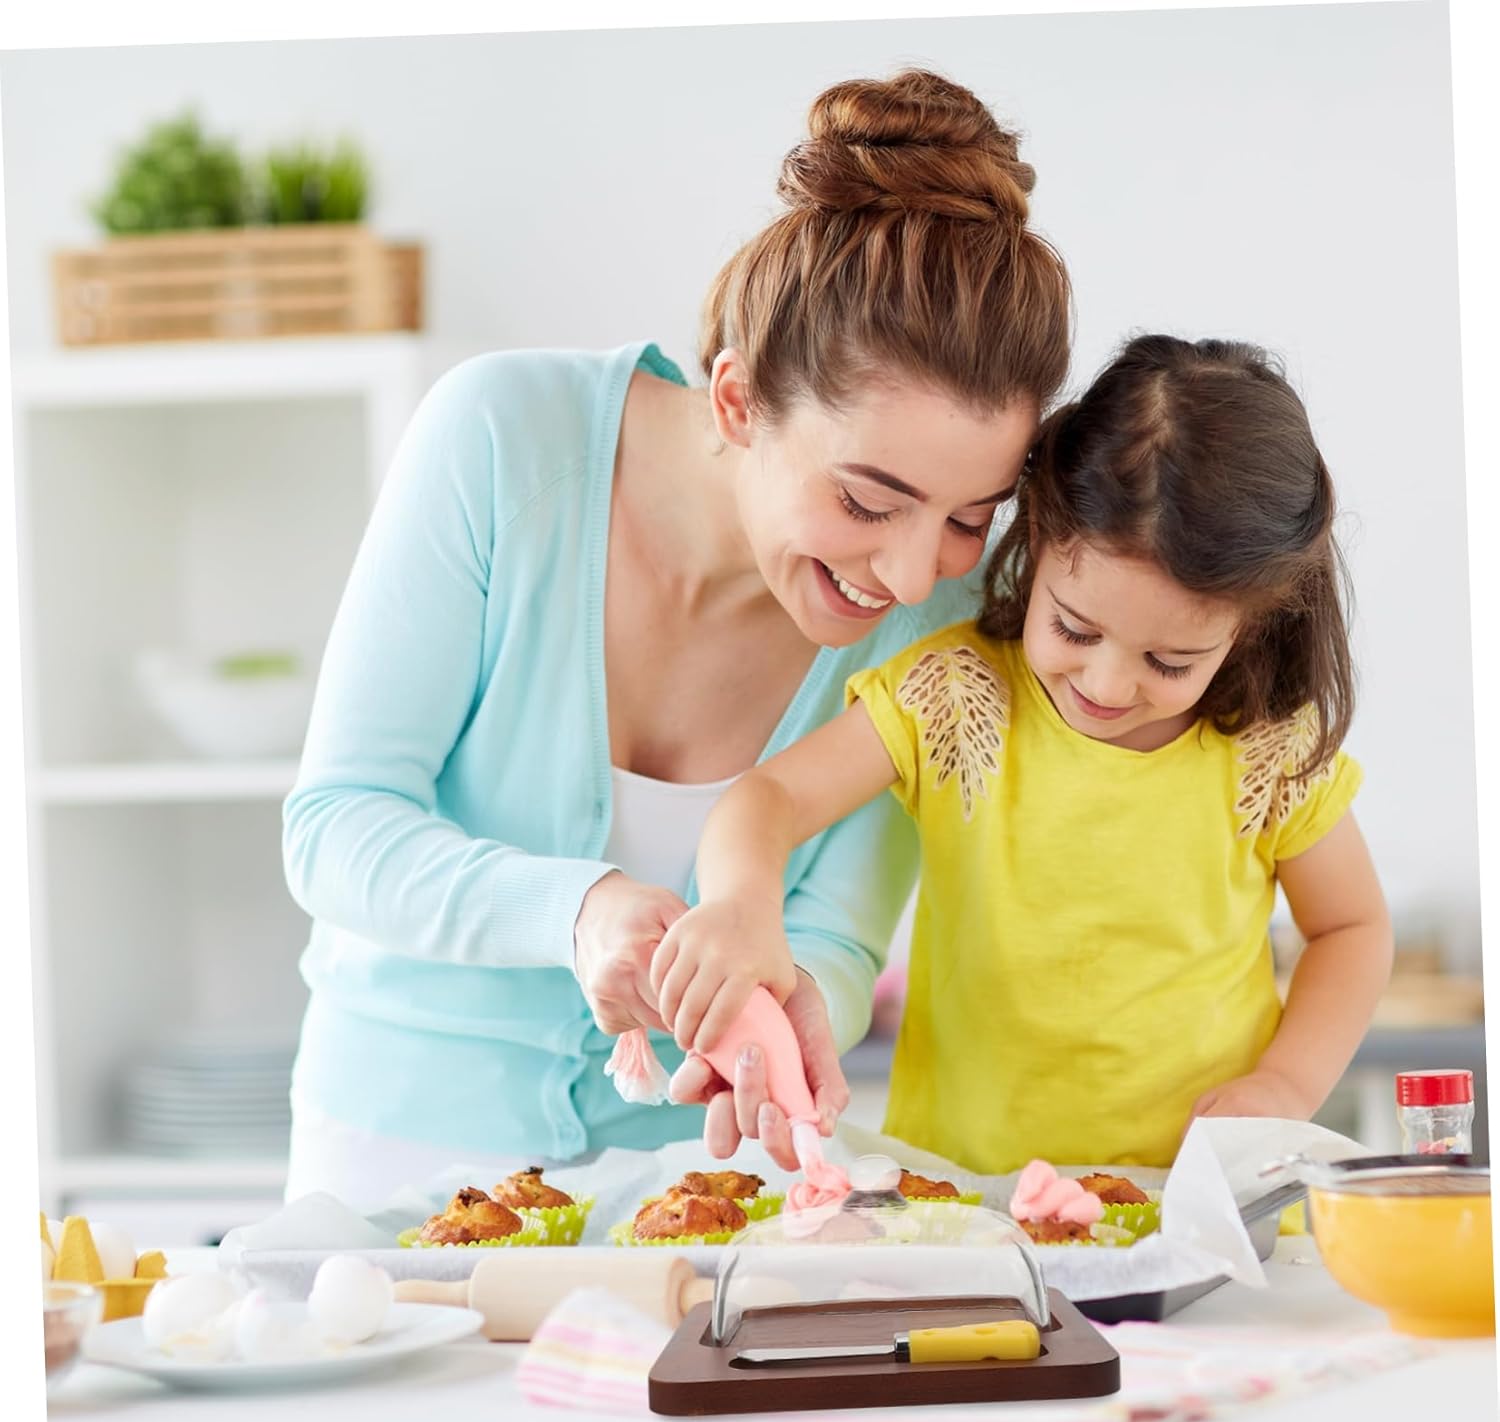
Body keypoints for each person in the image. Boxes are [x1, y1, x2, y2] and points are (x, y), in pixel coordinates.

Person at [279, 68, 1072, 1205]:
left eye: (966, 516)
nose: (908, 574)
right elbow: (335, 828)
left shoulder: (950, 615)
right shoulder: (502, 441)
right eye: (865, 501)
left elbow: (841, 935)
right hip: (394, 1149)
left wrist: (801, 997)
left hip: (696, 1176)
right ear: (740, 402)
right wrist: (579, 910)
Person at [654, 334, 1394, 1174]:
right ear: (1037, 538)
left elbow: (1353, 928)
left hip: (1188, 1200)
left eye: (1169, 662)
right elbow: (765, 801)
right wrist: (744, 909)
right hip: (967, 1200)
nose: (1109, 685)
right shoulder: (954, 696)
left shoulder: (1266, 749)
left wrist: (1288, 1085)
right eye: (1074, 628)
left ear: (1251, 624)